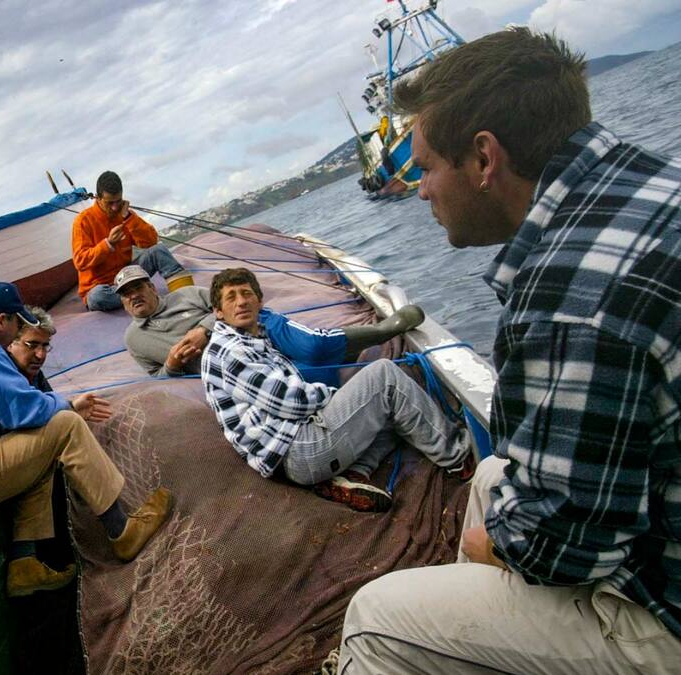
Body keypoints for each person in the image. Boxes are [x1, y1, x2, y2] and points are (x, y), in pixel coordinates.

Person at [337, 28, 681, 671]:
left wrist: (489, 543)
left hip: (667, 612)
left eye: (428, 167)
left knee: (373, 619)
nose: (422, 190)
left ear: (484, 159)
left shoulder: (568, 295)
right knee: (491, 476)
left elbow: (562, 548)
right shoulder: (646, 191)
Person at [0, 281, 173, 597]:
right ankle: (122, 531)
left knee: (39, 450)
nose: (16, 332)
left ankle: (24, 563)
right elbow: (22, 411)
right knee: (65, 425)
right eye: (16, 324)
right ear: (1, 321)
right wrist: (69, 404)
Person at [200, 268, 471, 512]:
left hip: (292, 454)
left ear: (259, 302)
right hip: (299, 450)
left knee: (393, 412)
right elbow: (292, 401)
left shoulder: (250, 339)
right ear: (218, 312)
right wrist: (338, 396)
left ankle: (353, 475)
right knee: (384, 376)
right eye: (231, 297)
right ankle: (457, 457)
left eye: (247, 294)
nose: (241, 302)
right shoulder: (230, 351)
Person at [114, 264, 426, 380]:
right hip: (233, 357)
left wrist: (203, 330)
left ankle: (385, 329)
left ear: (152, 287)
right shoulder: (134, 340)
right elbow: (156, 377)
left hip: (254, 324)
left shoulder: (187, 296)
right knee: (305, 372)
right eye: (126, 294)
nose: (134, 296)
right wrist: (170, 365)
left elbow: (226, 304)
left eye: (138, 288)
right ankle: (344, 354)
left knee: (313, 345)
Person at [72, 170, 195, 311]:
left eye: (118, 201)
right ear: (98, 199)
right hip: (101, 288)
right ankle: (138, 294)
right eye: (109, 203)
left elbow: (151, 241)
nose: (114, 207)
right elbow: (80, 261)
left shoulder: (125, 215)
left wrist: (129, 218)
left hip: (127, 277)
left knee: (159, 250)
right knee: (97, 297)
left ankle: (188, 297)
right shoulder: (83, 221)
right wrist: (108, 244)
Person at [7, 305, 55, 391]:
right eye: (32, 345)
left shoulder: (34, 374)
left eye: (45, 346)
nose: (40, 355)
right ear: (10, 343)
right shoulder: (3, 380)